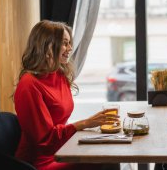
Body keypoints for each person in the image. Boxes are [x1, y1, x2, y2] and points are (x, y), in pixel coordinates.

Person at [14, 20, 120, 170]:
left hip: (61, 151)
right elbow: (45, 142)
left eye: (69, 43)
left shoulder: (59, 75)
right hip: (38, 163)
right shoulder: (29, 85)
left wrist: (89, 125)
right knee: (107, 159)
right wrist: (84, 124)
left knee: (108, 152)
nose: (70, 48)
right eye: (65, 43)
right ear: (48, 45)